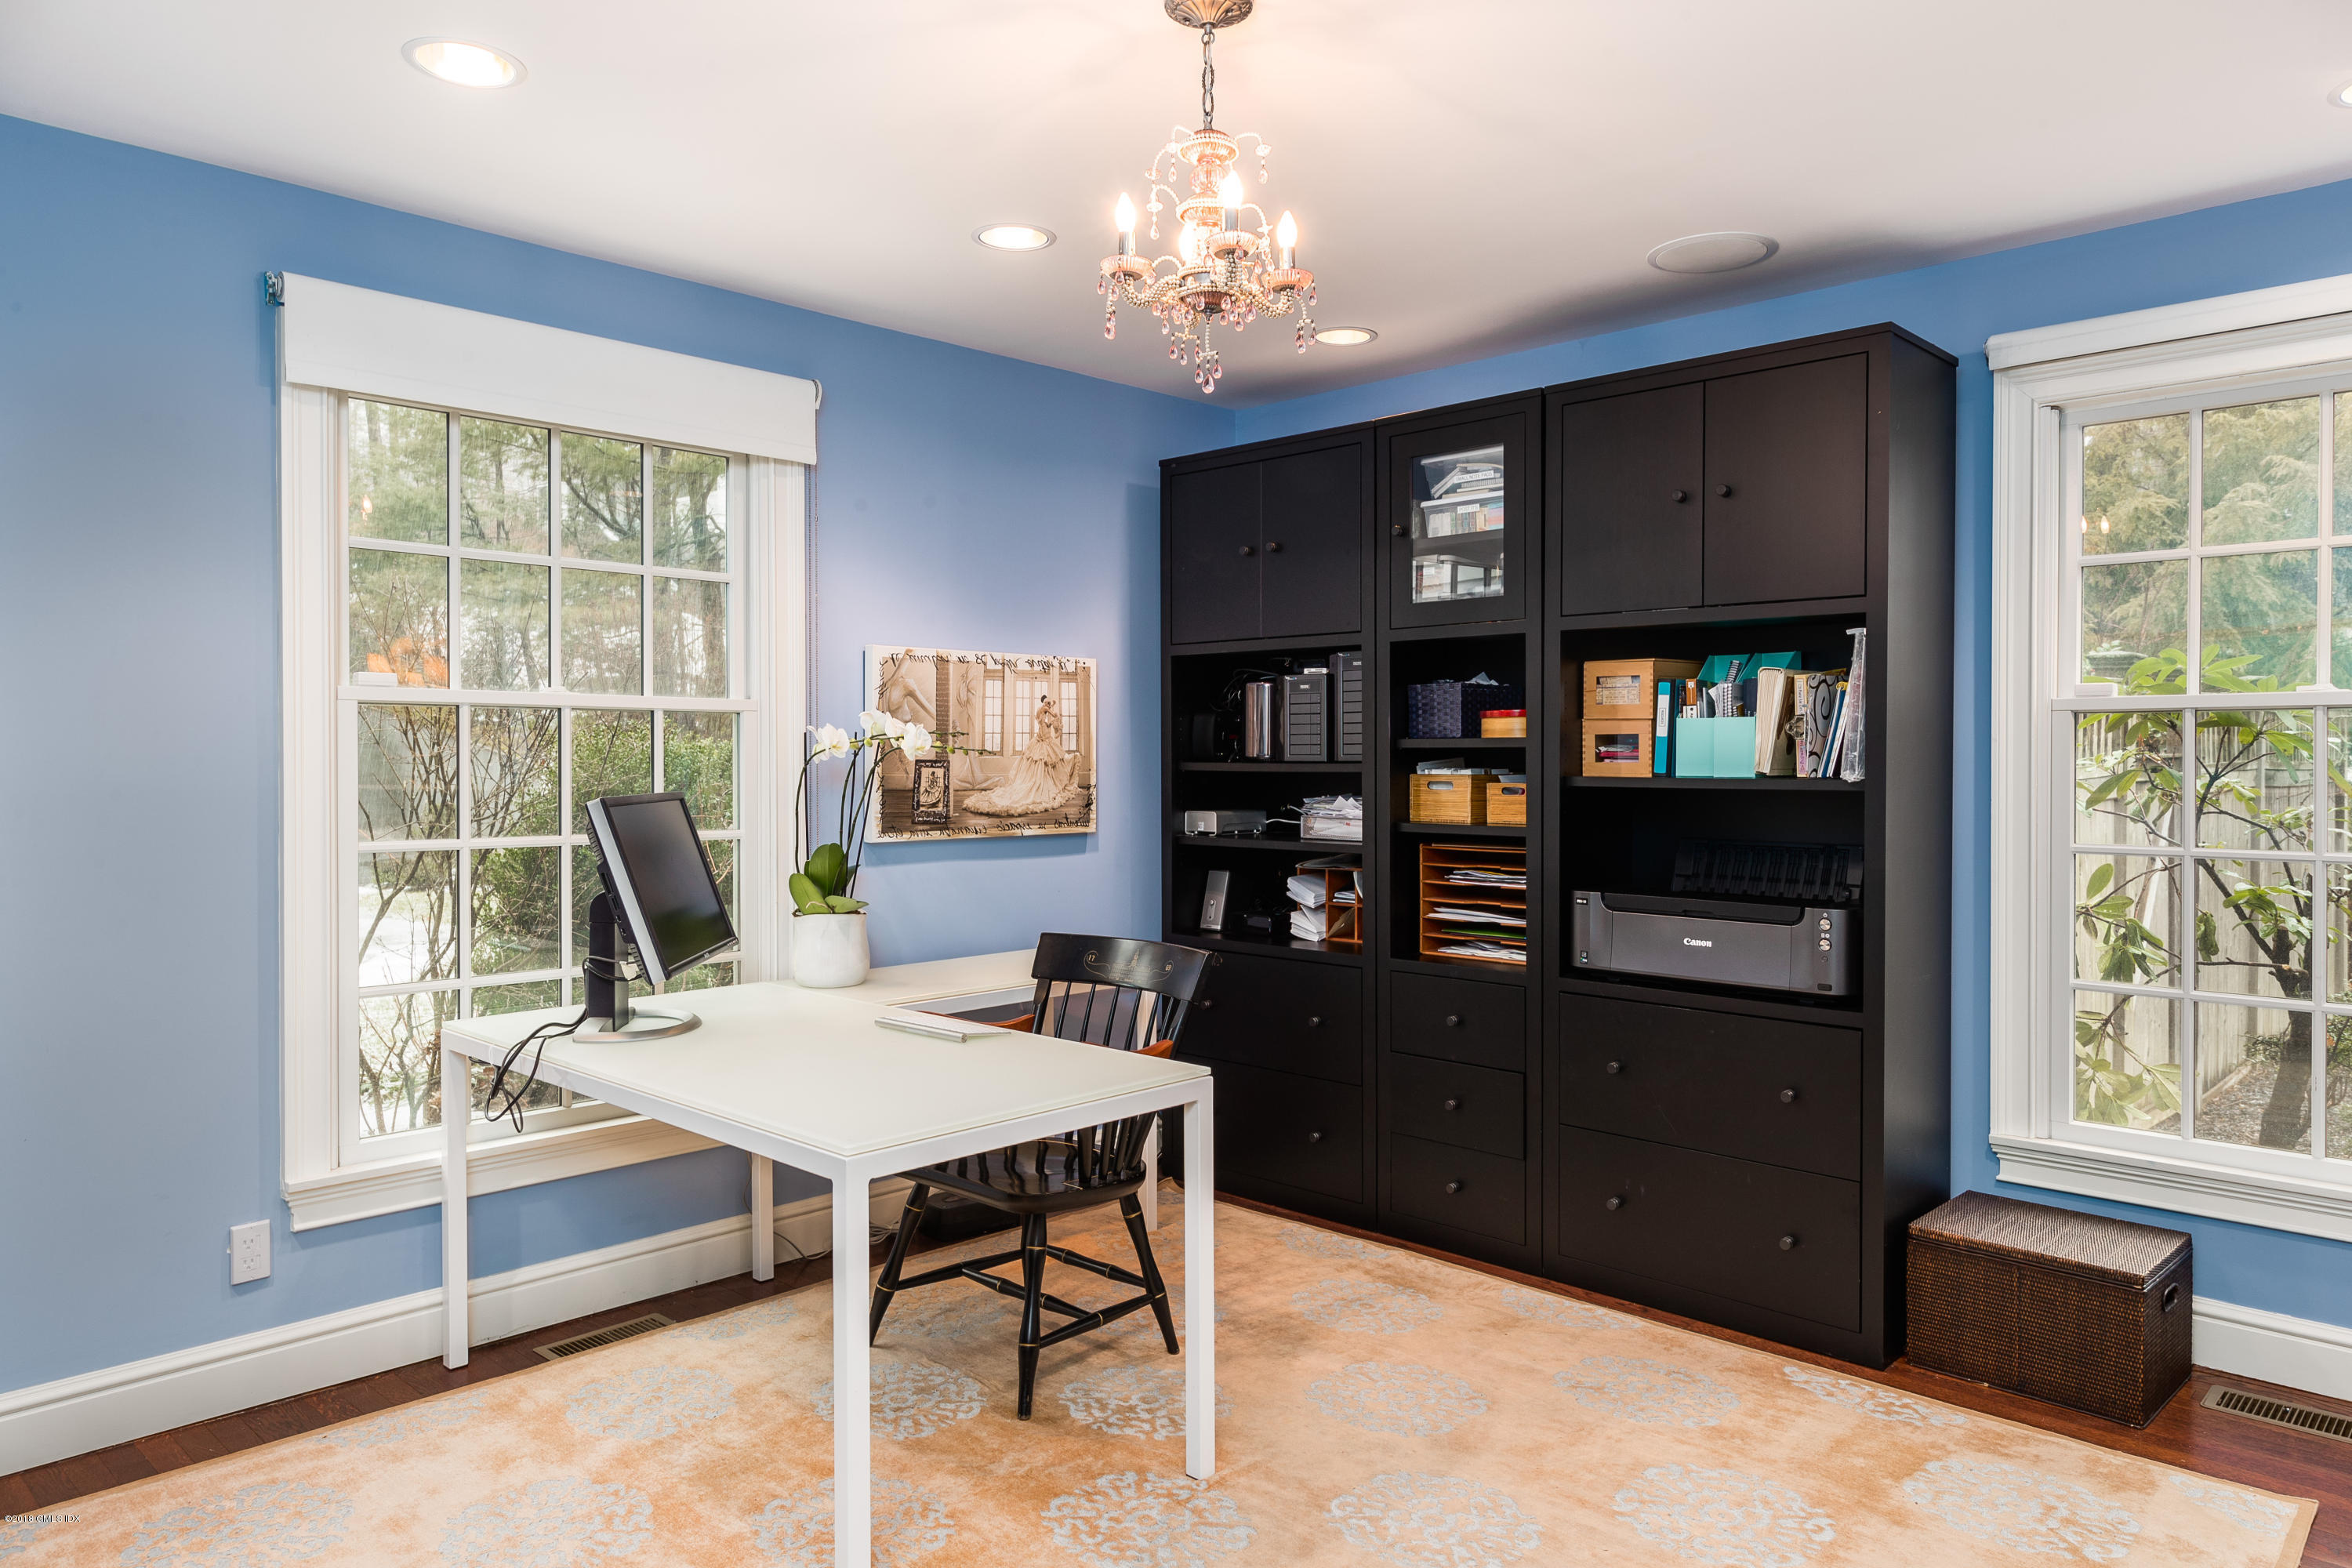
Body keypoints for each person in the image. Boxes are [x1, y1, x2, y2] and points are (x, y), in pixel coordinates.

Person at [963, 694, 1080, 817]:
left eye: (1048, 703)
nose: (1048, 705)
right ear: (1044, 703)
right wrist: (1056, 715)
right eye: (1047, 703)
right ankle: (1046, 782)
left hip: (1043, 730)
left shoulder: (1040, 710)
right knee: (1044, 757)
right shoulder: (1044, 708)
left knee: (1045, 758)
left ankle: (1047, 779)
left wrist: (1051, 723)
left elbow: (1045, 722)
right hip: (1044, 734)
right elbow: (1053, 714)